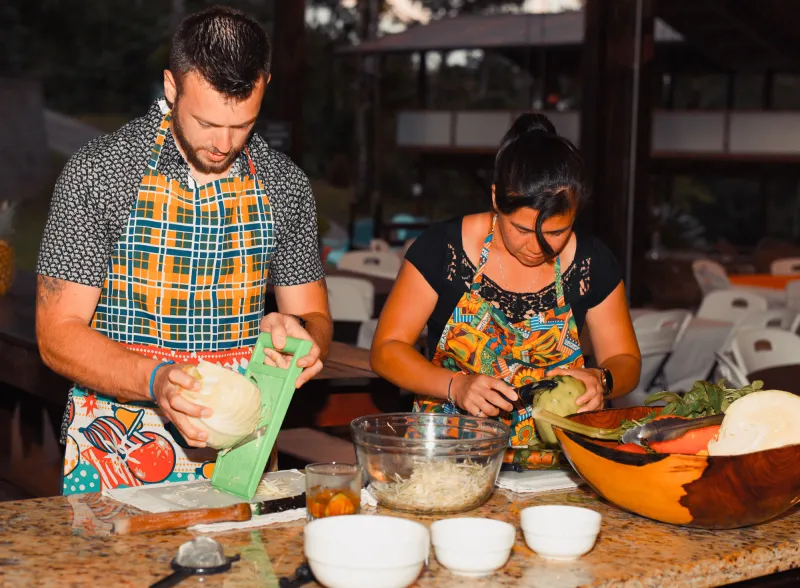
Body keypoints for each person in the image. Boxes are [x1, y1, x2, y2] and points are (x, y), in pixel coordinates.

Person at [36, 6, 332, 495]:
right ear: (172, 87)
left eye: (243, 125)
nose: (223, 144)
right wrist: (158, 381)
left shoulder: (285, 184)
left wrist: (300, 335)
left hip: (243, 446)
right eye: (206, 122)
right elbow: (57, 335)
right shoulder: (100, 173)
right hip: (118, 443)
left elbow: (315, 318)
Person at [370, 113, 641, 469]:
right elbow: (386, 351)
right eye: (522, 230)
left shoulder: (592, 263)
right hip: (447, 460)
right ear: (497, 198)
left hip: (559, 468)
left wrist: (601, 380)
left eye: (556, 233)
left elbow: (627, 361)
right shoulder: (443, 249)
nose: (539, 247)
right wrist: (456, 385)